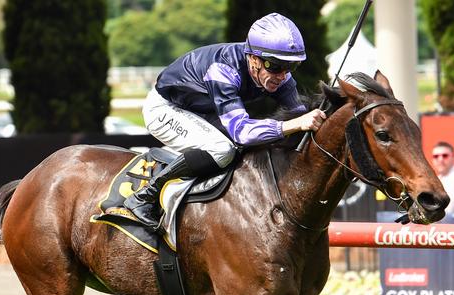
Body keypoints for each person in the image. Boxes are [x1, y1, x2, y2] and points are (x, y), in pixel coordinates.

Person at [124, 13, 326, 227]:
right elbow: (243, 132)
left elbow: (301, 115)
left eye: (290, 67)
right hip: (165, 109)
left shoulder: (279, 76)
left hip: (200, 110)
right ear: (253, 58)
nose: (282, 76)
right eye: (274, 66)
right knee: (223, 150)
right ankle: (145, 197)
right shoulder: (223, 70)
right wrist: (293, 124)